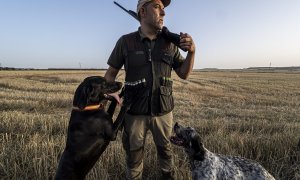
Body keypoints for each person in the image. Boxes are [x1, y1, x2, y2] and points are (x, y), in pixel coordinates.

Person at [104, 0, 195, 179]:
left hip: (163, 113)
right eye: (157, 7)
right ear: (143, 12)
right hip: (134, 113)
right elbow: (110, 75)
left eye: (163, 9)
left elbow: (184, 73)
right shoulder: (126, 42)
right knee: (133, 155)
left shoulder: (169, 44)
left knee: (166, 151)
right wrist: (111, 95)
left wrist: (192, 52)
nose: (163, 13)